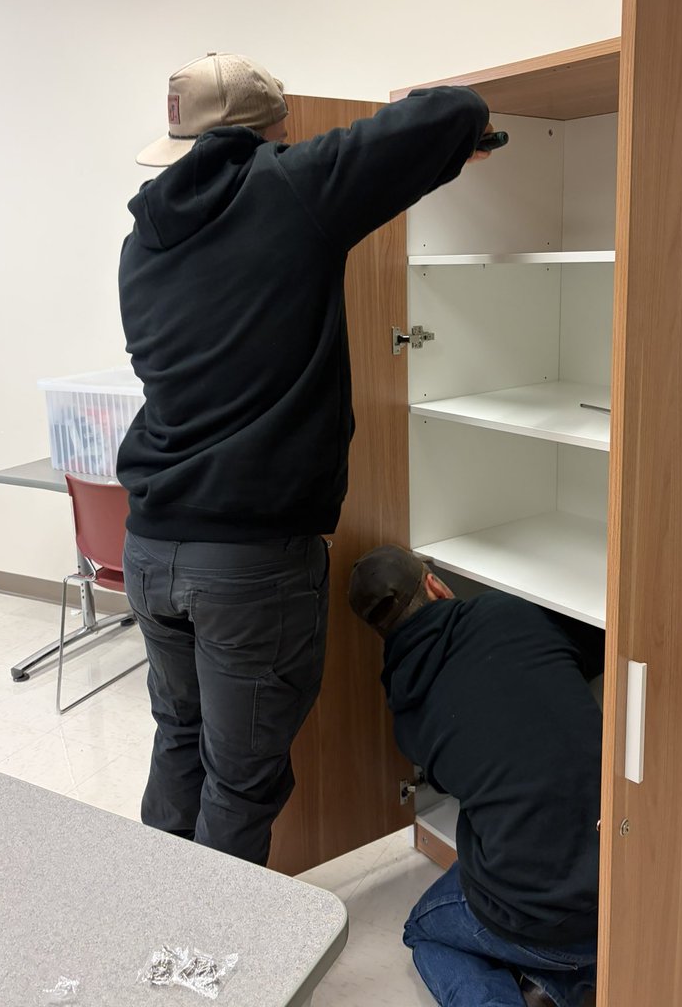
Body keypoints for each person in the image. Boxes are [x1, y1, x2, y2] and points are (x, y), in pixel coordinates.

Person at [117, 51, 494, 865]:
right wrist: (451, 147)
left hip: (149, 543)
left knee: (179, 738)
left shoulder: (141, 242)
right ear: (276, 129)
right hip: (247, 564)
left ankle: (148, 921)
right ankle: (211, 965)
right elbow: (454, 107)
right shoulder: (289, 187)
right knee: (242, 781)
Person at [348, 544, 604, 1007]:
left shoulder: (408, 719)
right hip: (626, 885)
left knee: (424, 930)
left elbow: (453, 780)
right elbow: (595, 648)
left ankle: (550, 979)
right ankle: (569, 976)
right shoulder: (509, 614)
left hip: (551, 920)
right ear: (435, 584)